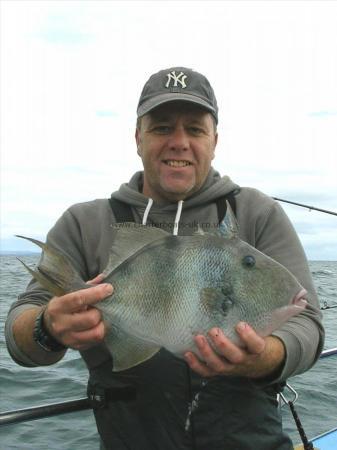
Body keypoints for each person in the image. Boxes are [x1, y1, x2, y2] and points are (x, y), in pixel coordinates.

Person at [5, 67, 324, 450]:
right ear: (137, 138)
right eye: (161, 128)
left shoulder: (256, 212)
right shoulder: (85, 223)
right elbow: (20, 337)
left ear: (214, 140)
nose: (179, 142)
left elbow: (308, 322)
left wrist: (266, 357)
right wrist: (48, 326)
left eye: (194, 129)